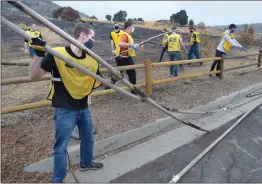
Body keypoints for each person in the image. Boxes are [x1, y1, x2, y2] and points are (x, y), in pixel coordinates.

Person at [28, 23, 103, 183]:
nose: (93, 41)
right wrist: (38, 54)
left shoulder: (92, 60)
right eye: (92, 37)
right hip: (64, 109)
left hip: (83, 107)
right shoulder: (58, 54)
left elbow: (97, 82)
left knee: (88, 138)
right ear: (82, 36)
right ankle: (58, 178)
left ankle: (86, 163)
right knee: (61, 147)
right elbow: (33, 76)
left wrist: (114, 79)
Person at [105, 20, 141, 92]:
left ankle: (109, 84)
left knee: (119, 72)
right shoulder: (124, 35)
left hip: (122, 57)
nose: (133, 28)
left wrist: (134, 45)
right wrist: (131, 45)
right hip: (123, 58)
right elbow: (120, 44)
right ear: (128, 27)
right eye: (132, 27)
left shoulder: (127, 35)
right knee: (131, 73)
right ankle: (133, 89)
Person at [104, 23, 124, 89]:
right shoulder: (113, 33)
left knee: (120, 66)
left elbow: (112, 42)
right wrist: (113, 50)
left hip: (121, 51)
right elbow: (112, 42)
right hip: (118, 51)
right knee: (120, 66)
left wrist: (113, 50)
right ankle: (114, 79)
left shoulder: (121, 32)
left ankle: (114, 79)